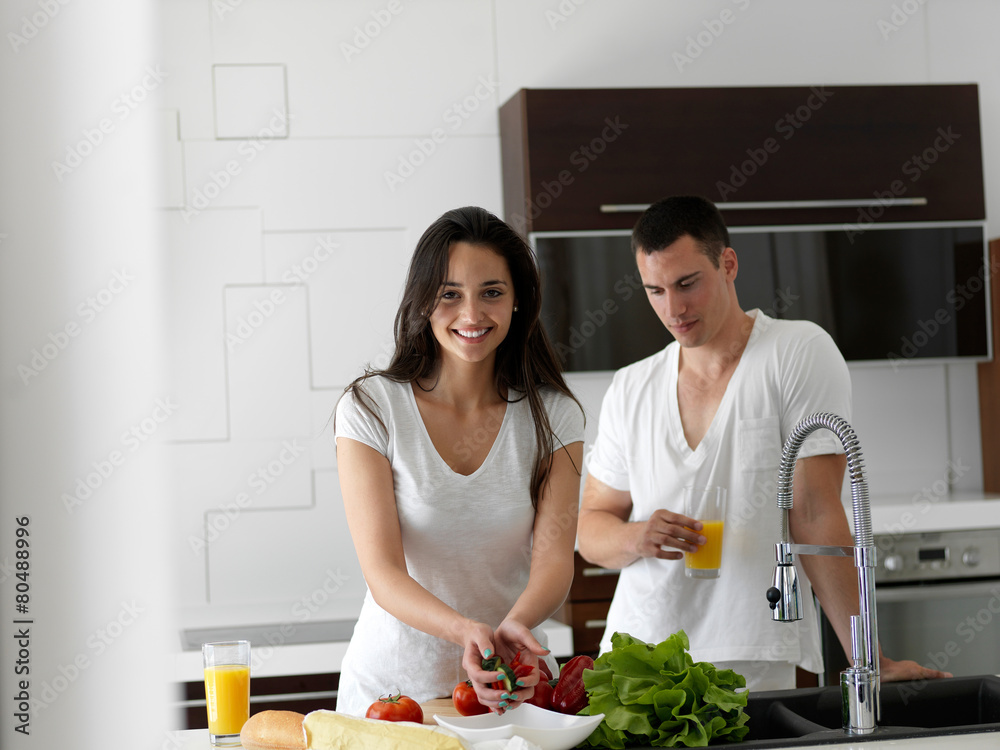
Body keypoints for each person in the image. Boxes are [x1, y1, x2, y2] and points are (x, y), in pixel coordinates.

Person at [577, 195, 950, 690]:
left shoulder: (796, 353)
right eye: (656, 290)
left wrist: (869, 658)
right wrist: (635, 537)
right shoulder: (631, 386)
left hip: (752, 653)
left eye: (688, 283)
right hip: (639, 657)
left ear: (727, 263)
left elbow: (815, 513)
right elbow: (589, 526)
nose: (674, 308)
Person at [333, 206, 585, 716]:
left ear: (518, 302)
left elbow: (555, 561)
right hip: (395, 695)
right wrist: (466, 631)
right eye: (450, 294)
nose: (472, 315)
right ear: (423, 302)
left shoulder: (553, 415)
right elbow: (383, 573)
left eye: (492, 292)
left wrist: (517, 623)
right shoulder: (372, 408)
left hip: (514, 690)